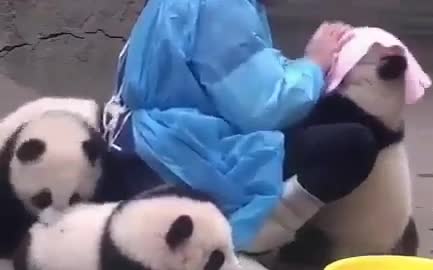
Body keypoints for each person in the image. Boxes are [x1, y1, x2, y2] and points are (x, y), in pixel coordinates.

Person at [98, 0, 377, 251]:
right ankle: (250, 233)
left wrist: (304, 67)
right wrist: (315, 63)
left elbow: (245, 71)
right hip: (176, 160)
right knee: (353, 144)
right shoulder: (222, 7)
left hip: (149, 147)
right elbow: (264, 109)